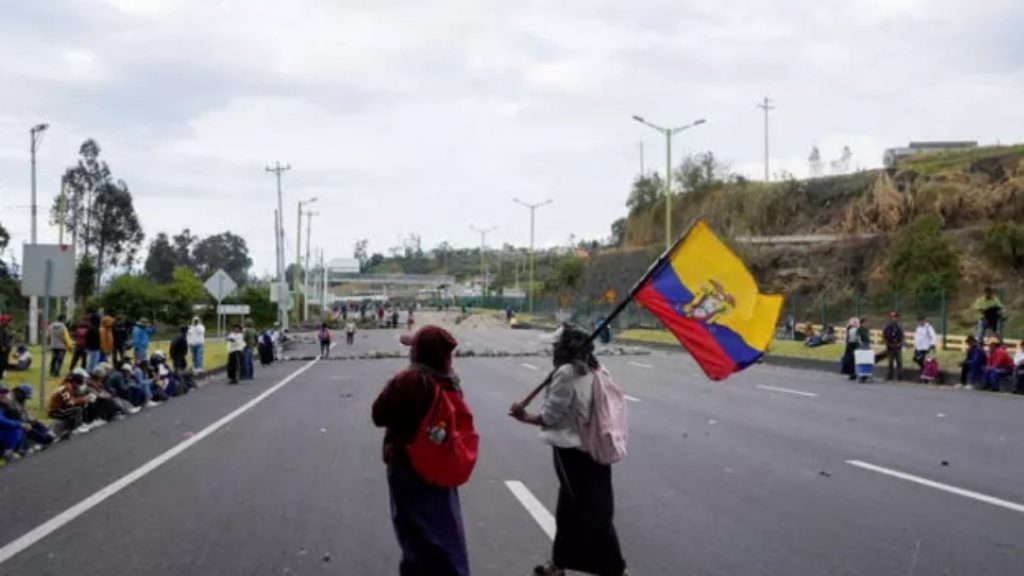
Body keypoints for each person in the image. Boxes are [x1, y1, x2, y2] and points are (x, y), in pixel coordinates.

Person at [510, 323, 629, 576]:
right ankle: (559, 563)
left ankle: (615, 569)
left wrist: (524, 416)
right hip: (595, 447)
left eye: (556, 345)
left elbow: (551, 417)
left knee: (593, 512)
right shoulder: (597, 368)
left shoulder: (565, 373)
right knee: (569, 507)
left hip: (573, 452)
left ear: (565, 347)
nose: (553, 349)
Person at [372, 326, 471, 576]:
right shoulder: (451, 381)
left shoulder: (409, 380)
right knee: (443, 527)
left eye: (413, 347)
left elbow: (378, 415)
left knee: (412, 531)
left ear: (419, 352)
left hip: (408, 465)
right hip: (439, 464)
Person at [9, 384, 55, 451]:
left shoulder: (21, 400)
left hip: (23, 422)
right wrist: (25, 423)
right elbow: (14, 417)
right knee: (41, 436)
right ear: (20, 394)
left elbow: (25, 415)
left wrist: (32, 420)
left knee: (36, 423)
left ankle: (49, 432)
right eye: (25, 397)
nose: (26, 399)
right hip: (16, 425)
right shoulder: (11, 401)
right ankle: (43, 440)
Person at [48, 370, 91, 437]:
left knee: (80, 405)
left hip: (61, 408)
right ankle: (78, 427)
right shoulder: (67, 387)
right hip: (56, 411)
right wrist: (83, 399)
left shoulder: (69, 386)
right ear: (74, 382)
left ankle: (73, 426)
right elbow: (70, 402)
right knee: (77, 409)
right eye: (78, 384)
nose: (78, 386)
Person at [882, 312, 904, 381]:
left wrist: (900, 343)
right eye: (894, 317)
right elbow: (884, 337)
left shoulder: (899, 327)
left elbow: (902, 336)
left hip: (897, 346)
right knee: (890, 361)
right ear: (891, 318)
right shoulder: (887, 327)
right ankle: (889, 375)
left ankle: (900, 376)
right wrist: (888, 344)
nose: (895, 319)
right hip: (890, 346)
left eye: (896, 317)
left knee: (899, 361)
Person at [0, 314, 11, 380]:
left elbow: (6, 338)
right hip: (2, 349)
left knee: (5, 362)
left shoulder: (5, 328)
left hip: (6, 348)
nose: (8, 322)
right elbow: (0, 338)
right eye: (6, 321)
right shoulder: (1, 328)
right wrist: (2, 346)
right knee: (2, 362)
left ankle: (2, 373)